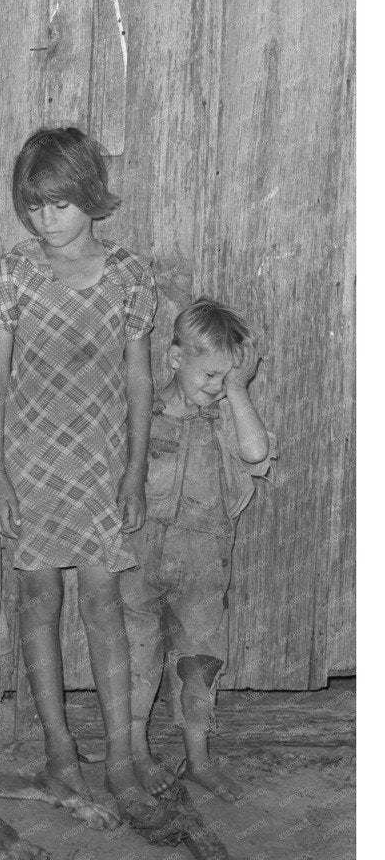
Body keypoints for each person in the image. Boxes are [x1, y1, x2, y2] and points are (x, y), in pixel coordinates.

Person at [0, 126, 169, 829]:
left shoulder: (129, 274)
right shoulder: (13, 271)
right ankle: (61, 749)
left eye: (57, 203)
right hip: (31, 464)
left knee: (102, 602)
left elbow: (141, 380)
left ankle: (121, 754)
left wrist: (133, 472)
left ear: (90, 197)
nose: (44, 218)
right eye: (32, 205)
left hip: (98, 464)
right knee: (37, 597)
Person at [122, 298, 273, 803]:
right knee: (138, 661)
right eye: (210, 375)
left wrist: (236, 393)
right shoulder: (144, 415)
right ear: (173, 359)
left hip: (204, 567)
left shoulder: (227, 416)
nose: (217, 387)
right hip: (138, 562)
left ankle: (198, 759)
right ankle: (135, 754)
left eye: (228, 378)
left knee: (201, 660)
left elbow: (255, 452)